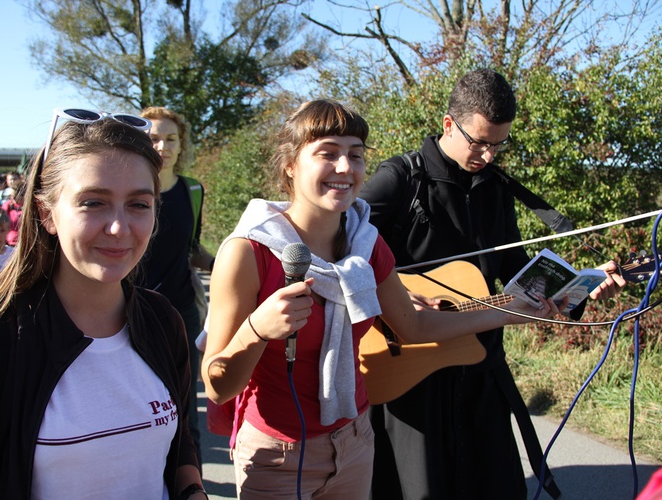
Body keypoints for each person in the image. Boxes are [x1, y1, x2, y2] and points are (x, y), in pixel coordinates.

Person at [201, 99, 563, 499]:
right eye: (327, 153)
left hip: (355, 442)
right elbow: (217, 387)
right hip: (277, 456)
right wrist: (257, 329)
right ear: (290, 164)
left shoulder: (365, 244)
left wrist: (511, 310)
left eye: (355, 155)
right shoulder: (248, 253)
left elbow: (416, 326)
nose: (345, 168)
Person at [359, 68, 626, 499]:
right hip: (409, 374)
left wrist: (579, 289)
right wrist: (397, 293)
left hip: (480, 366)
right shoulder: (401, 178)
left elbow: (518, 271)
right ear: (450, 124)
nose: (487, 156)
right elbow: (338, 243)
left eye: (498, 145)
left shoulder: (494, 190)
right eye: (479, 142)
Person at [0, 111, 207, 500]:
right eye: (93, 202)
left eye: (139, 205)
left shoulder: (164, 321)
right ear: (47, 214)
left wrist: (193, 489)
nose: (119, 227)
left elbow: (181, 446)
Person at [138, 106, 216, 470]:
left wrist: (229, 266)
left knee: (184, 413)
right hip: (129, 313)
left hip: (181, 313)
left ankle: (190, 486)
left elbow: (192, 248)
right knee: (139, 408)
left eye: (170, 139)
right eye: (153, 138)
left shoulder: (193, 190)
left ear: (181, 144)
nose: (162, 146)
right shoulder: (129, 189)